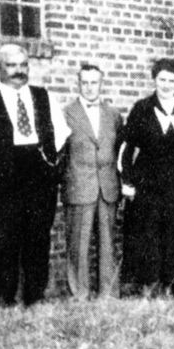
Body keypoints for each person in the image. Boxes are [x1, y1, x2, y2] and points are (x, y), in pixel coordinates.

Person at [0, 43, 70, 305]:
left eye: (23, 65)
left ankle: (35, 299)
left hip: (38, 180)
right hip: (3, 181)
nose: (19, 71)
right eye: (11, 65)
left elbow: (61, 135)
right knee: (3, 243)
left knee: (37, 241)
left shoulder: (44, 97)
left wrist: (49, 163)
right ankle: (3, 302)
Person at [120, 58, 174, 296]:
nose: (166, 85)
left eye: (171, 81)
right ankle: (149, 289)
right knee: (150, 238)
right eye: (162, 80)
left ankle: (172, 288)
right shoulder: (142, 109)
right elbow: (126, 148)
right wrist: (127, 181)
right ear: (154, 80)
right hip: (149, 186)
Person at [62, 64, 123, 299]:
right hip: (79, 186)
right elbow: (60, 153)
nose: (89, 87)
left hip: (107, 186)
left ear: (101, 84)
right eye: (84, 82)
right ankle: (80, 294)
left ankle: (108, 294)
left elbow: (119, 150)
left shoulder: (113, 114)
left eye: (94, 82)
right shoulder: (66, 114)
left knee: (108, 242)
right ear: (78, 84)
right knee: (79, 244)